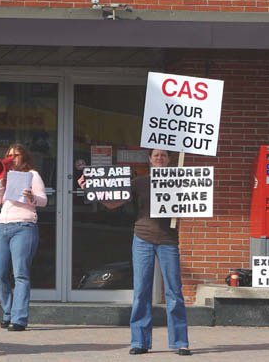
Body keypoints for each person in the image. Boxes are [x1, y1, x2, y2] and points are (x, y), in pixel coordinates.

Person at [78, 149, 191, 356]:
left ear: (169, 159)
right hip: (142, 239)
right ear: (149, 159)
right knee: (141, 291)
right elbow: (113, 203)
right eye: (156, 155)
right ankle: (139, 341)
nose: (159, 158)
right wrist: (91, 189)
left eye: (163, 155)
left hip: (168, 241)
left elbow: (193, 204)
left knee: (174, 291)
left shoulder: (180, 180)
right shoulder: (139, 182)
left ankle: (180, 342)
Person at [0, 144, 47, 332]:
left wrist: (32, 198)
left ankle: (19, 318)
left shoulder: (32, 175)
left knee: (20, 273)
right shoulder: (4, 176)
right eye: (8, 155)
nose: (12, 157)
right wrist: (1, 184)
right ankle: (8, 312)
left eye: (16, 155)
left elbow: (44, 200)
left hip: (24, 226)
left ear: (24, 157)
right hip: (3, 227)